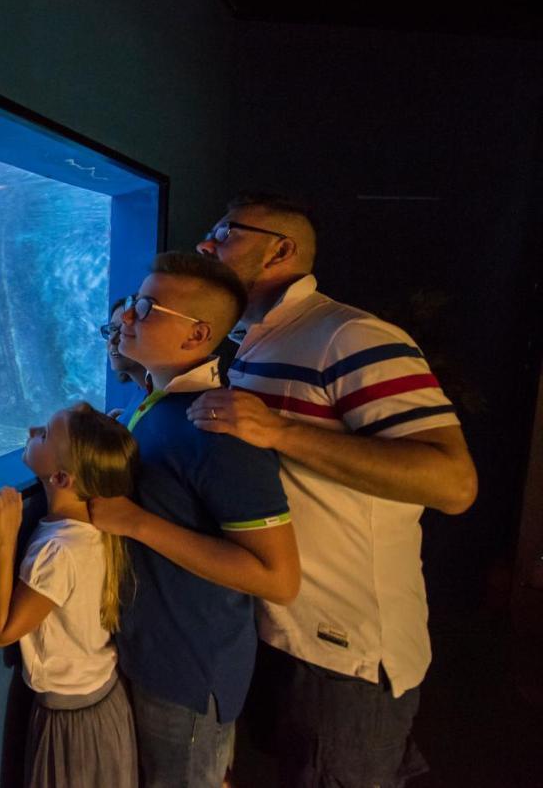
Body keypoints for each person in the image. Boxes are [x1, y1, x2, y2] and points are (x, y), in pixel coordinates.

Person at [192, 192, 478, 786]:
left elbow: (452, 483)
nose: (206, 244)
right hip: (281, 631)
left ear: (282, 249)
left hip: (343, 654)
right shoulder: (255, 342)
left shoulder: (349, 335)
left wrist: (277, 429)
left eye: (225, 232)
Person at [88, 250, 300, 788]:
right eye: (135, 302)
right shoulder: (155, 405)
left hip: (188, 667)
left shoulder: (217, 429)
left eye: (146, 307)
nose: (126, 318)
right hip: (156, 653)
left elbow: (278, 577)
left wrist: (135, 522)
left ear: (197, 333)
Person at [0, 401, 139, 788]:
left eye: (46, 435)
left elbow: (1, 631)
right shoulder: (96, 527)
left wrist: (6, 535)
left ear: (62, 478)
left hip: (73, 723)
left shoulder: (59, 550)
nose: (34, 428)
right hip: (103, 704)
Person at [102, 294, 148, 388]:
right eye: (112, 329)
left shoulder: (177, 399)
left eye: (125, 329)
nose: (112, 340)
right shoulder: (141, 397)